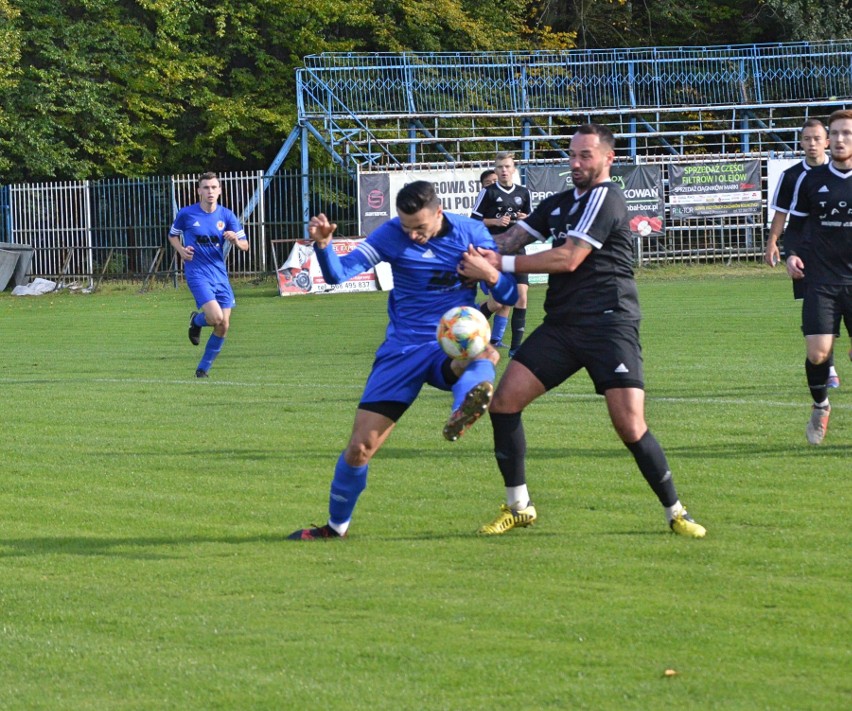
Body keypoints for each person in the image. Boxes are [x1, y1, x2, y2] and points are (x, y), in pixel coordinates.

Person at [459, 123, 707, 538]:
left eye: (584, 156)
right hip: (562, 327)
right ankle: (518, 505)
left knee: (630, 425)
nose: (575, 163)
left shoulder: (607, 198)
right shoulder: (559, 202)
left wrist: (495, 266)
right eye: (571, 155)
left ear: (608, 159)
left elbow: (569, 258)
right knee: (503, 404)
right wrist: (461, 247)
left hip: (610, 324)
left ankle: (676, 511)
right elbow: (511, 238)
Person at [288, 181, 518, 540]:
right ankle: (335, 528)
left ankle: (463, 410)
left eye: (420, 228)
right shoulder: (391, 234)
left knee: (483, 352)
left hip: (450, 341)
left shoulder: (471, 234)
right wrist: (323, 246)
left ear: (439, 214)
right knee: (359, 448)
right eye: (407, 227)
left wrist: (488, 273)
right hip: (402, 350)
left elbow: (507, 294)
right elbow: (337, 275)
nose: (412, 235)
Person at [785, 109, 852, 445]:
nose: (840, 140)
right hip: (822, 281)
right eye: (836, 133)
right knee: (818, 354)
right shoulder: (810, 180)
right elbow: (794, 227)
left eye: (847, 134)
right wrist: (791, 253)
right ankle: (820, 405)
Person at [765, 119, 840, 389]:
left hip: (839, 253)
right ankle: (827, 365)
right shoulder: (793, 176)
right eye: (807, 139)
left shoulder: (840, 174)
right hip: (807, 252)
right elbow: (782, 214)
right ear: (800, 142)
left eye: (817, 138)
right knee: (816, 306)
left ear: (827, 142)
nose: (812, 144)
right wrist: (773, 242)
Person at [168, 172, 249, 378]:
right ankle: (197, 322)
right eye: (206, 187)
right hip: (197, 272)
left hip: (219, 274)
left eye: (214, 187)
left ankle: (203, 369)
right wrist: (181, 251)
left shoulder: (227, 216)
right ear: (199, 191)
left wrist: (235, 241)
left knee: (224, 325)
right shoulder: (187, 214)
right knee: (215, 317)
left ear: (220, 190)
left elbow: (245, 245)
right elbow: (172, 236)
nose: (210, 191)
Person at [471, 152, 531, 356]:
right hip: (494, 252)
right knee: (497, 303)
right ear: (495, 170)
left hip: (518, 250)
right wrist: (495, 222)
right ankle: (465, 328)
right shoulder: (488, 193)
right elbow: (473, 222)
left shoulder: (524, 193)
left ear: (514, 169)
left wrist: (526, 219)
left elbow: (530, 220)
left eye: (507, 166)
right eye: (500, 167)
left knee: (522, 298)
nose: (504, 170)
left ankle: (516, 349)